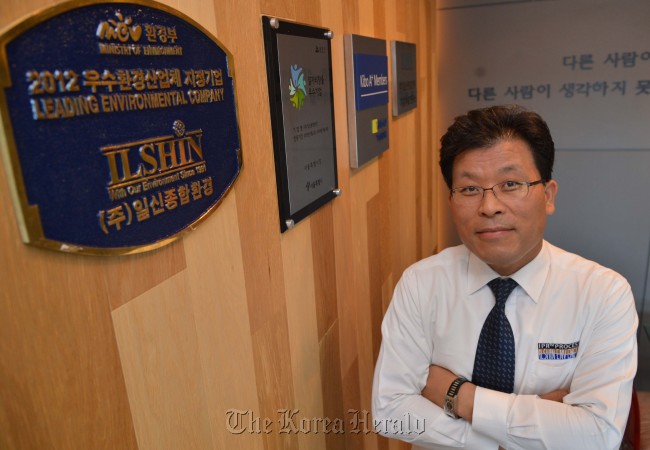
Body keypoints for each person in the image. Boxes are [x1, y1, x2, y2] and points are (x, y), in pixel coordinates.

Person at [372, 105, 638, 450]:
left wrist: (457, 395)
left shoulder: (603, 293)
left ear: (548, 195)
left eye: (510, 184)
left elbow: (597, 435)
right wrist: (510, 437)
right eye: (469, 189)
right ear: (451, 200)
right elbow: (390, 411)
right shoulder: (422, 283)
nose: (489, 206)